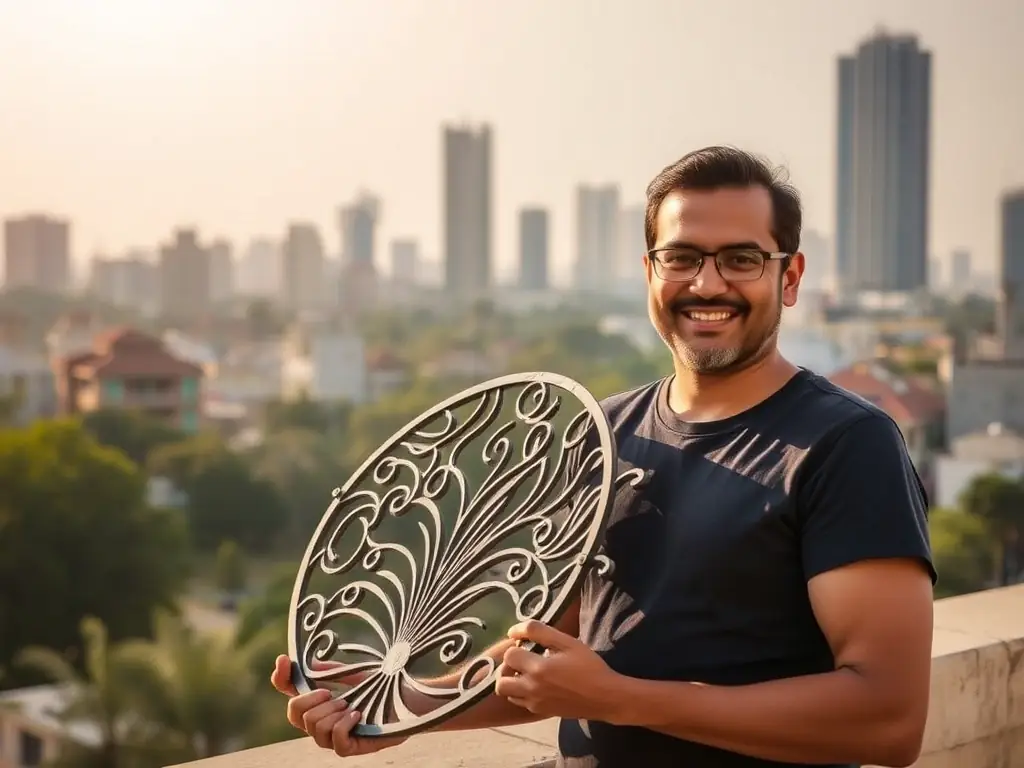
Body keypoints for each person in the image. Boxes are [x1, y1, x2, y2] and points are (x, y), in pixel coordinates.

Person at [270, 146, 936, 767]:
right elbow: (551, 653)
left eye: (741, 258)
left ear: (788, 277)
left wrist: (619, 699)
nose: (707, 283)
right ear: (651, 273)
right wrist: (404, 705)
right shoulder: (607, 432)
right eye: (681, 257)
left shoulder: (846, 445)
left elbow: (886, 720)